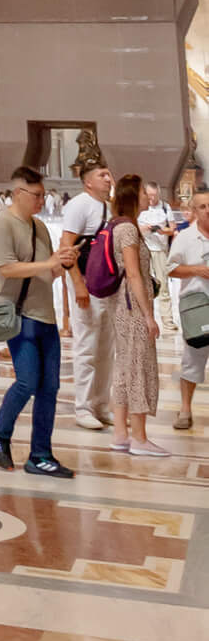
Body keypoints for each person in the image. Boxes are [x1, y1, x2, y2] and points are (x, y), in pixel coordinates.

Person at [0, 165, 77, 477]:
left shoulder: (40, 227)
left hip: (45, 315)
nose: (41, 201)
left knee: (50, 387)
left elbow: (47, 273)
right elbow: (6, 268)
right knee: (27, 381)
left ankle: (40, 454)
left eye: (43, 195)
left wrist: (62, 264)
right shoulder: (3, 224)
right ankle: (0, 431)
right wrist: (48, 262)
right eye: (36, 195)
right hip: (19, 314)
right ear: (18, 193)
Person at [110, 172, 166, 456]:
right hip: (133, 307)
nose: (148, 195)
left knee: (124, 367)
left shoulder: (120, 226)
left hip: (123, 306)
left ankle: (121, 433)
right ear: (132, 196)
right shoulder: (128, 230)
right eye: (144, 192)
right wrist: (148, 315)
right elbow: (133, 274)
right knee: (139, 367)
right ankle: (140, 438)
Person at [59, 152, 115, 431]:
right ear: (87, 182)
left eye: (108, 174)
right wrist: (77, 284)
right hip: (86, 283)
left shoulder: (107, 205)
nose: (108, 179)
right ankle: (82, 407)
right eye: (102, 175)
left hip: (107, 285)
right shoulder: (79, 206)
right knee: (87, 346)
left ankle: (101, 404)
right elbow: (66, 248)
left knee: (106, 347)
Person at [169, 187, 209, 430]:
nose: (207, 211)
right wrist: (196, 269)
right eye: (202, 207)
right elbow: (170, 268)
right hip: (196, 306)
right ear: (194, 211)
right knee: (192, 359)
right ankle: (185, 409)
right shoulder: (185, 237)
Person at [138, 181, 177, 331]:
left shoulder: (165, 207)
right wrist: (145, 228)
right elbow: (133, 228)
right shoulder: (140, 208)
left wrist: (162, 230)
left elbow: (172, 229)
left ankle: (167, 320)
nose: (152, 199)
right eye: (149, 196)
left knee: (163, 285)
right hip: (145, 249)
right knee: (145, 285)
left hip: (160, 249)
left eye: (155, 196)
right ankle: (146, 318)